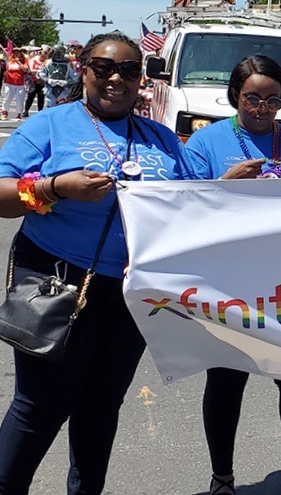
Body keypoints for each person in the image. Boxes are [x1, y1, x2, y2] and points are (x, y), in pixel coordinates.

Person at [0, 32, 191, 494]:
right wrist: (54, 188)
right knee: (40, 405)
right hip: (55, 280)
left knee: (101, 405)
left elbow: (194, 206)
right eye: (103, 68)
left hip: (128, 293)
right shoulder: (50, 125)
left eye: (128, 70)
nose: (115, 79)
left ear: (140, 80)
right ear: (83, 69)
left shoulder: (161, 140)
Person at [184, 55, 281, 495]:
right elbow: (181, 209)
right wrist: (224, 182)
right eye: (252, 98)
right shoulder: (204, 144)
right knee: (226, 381)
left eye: (272, 99)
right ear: (235, 97)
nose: (261, 107)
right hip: (229, 280)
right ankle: (222, 478)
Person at [39, 45, 77, 109]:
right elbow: (41, 73)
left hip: (63, 90)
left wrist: (66, 82)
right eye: (56, 52)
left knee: (62, 109)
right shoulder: (48, 62)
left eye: (60, 53)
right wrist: (48, 80)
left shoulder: (68, 63)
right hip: (50, 89)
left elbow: (75, 77)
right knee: (48, 109)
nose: (58, 54)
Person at [2, 48, 30, 121]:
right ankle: (4, 112)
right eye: (14, 52)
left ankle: (18, 114)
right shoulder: (10, 60)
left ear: (20, 53)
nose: (16, 53)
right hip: (9, 83)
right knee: (7, 98)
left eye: (18, 52)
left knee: (20, 99)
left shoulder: (24, 61)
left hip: (20, 84)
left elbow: (25, 69)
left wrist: (18, 62)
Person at [24, 46, 51, 117]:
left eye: (46, 54)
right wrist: (39, 71)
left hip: (42, 81)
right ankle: (26, 110)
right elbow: (31, 70)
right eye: (43, 53)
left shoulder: (47, 61)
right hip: (33, 81)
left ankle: (40, 111)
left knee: (41, 97)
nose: (44, 56)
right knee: (30, 96)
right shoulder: (34, 60)